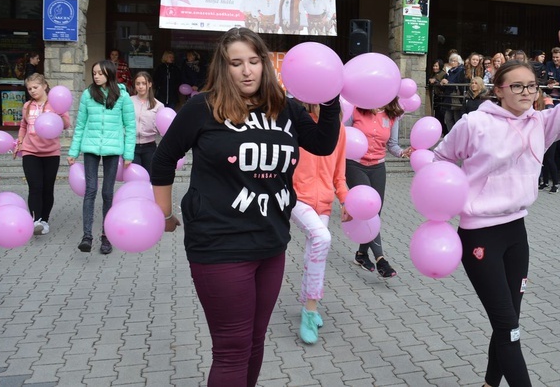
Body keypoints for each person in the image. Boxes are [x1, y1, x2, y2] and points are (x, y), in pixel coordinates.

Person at [149, 27, 340, 386]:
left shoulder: (285, 108)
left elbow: (322, 144)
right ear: (224, 68)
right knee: (232, 349)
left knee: (253, 342)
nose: (247, 70)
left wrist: (330, 96)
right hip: (220, 245)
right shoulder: (203, 107)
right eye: (237, 63)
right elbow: (163, 160)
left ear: (265, 65)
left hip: (271, 244)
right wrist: (165, 214)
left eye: (254, 61)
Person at [432, 29, 560, 387]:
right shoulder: (475, 123)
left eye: (531, 86)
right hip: (479, 235)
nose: (526, 92)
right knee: (506, 325)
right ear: (499, 89)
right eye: (517, 86)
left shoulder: (541, 123)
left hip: (516, 233)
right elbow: (441, 158)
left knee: (510, 322)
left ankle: (491, 383)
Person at [290, 102, 350, 344]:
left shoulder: (338, 127)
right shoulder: (296, 121)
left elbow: (339, 173)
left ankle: (308, 301)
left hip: (323, 202)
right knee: (322, 238)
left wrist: (345, 199)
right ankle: (310, 311)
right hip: (297, 198)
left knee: (314, 252)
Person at [68, 60, 135, 255]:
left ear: (110, 74)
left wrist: (129, 154)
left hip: (113, 150)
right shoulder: (88, 94)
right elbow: (80, 125)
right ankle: (87, 236)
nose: (96, 76)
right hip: (90, 148)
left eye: (100, 73)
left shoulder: (122, 96)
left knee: (107, 193)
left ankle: (107, 236)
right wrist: (73, 152)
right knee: (90, 190)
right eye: (94, 72)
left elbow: (130, 127)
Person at [345, 97, 411, 278]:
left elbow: (392, 145)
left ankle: (361, 254)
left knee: (376, 214)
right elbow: (343, 135)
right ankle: (381, 259)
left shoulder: (392, 114)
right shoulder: (356, 109)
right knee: (369, 210)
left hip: (378, 167)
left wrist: (402, 153)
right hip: (354, 165)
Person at [14, 73, 71, 235]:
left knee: (47, 188)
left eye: (35, 87)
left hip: (51, 153)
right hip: (30, 151)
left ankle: (44, 220)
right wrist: (19, 142)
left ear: (44, 86)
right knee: (35, 186)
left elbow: (66, 125)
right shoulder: (27, 106)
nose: (32, 91)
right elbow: (23, 126)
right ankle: (36, 220)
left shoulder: (55, 104)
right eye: (29, 88)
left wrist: (60, 113)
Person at [130, 71, 165, 172]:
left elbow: (162, 128)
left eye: (144, 83)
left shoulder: (158, 105)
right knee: (135, 178)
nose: (141, 86)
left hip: (149, 146)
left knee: (150, 177)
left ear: (149, 84)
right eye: (138, 83)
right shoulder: (128, 101)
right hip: (132, 146)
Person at [440, 52, 466, 131]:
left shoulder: (461, 70)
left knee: (456, 118)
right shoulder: (449, 71)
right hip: (449, 97)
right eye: (451, 60)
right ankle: (451, 135)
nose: (452, 62)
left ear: (459, 62)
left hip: (456, 97)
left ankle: (457, 136)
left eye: (454, 61)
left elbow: (460, 82)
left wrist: (448, 83)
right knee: (448, 118)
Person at [428, 59, 448, 134]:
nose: (434, 67)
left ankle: (444, 132)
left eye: (436, 66)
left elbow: (444, 86)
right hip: (435, 97)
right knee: (436, 115)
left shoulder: (443, 74)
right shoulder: (432, 74)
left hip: (441, 98)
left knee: (441, 116)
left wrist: (436, 82)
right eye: (434, 65)